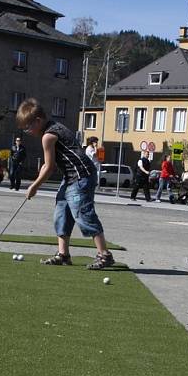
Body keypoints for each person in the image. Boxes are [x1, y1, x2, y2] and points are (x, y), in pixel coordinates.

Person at [16, 97, 115, 269]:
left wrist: (34, 186)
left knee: (84, 214)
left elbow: (49, 166)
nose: (27, 131)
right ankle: (63, 254)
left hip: (81, 176)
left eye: (28, 127)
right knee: (61, 211)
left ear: (38, 121)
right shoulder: (54, 126)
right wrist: (37, 181)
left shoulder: (48, 136)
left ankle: (104, 254)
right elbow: (48, 164)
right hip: (70, 177)